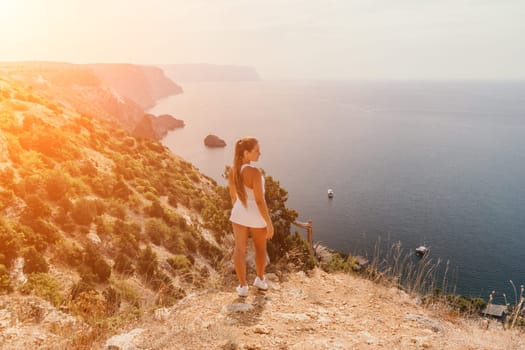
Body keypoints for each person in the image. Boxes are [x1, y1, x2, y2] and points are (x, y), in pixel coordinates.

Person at [228, 137, 274, 297]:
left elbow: (233, 197)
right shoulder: (254, 172)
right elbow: (260, 201)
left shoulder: (233, 170)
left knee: (239, 249)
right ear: (246, 153)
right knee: (260, 249)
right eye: (256, 151)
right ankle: (260, 280)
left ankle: (242, 287)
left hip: (240, 212)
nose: (259, 153)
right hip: (256, 214)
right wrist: (269, 222)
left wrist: (239, 209)